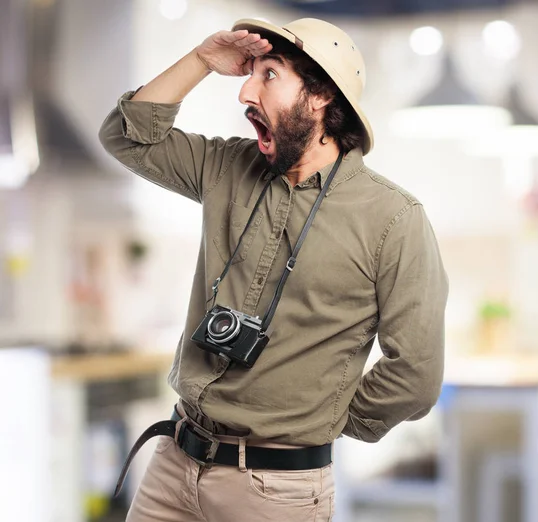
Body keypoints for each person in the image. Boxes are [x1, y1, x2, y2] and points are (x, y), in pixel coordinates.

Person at [98, 16, 449, 522]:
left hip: (276, 490)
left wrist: (325, 418)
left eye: (270, 75)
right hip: (174, 465)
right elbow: (128, 136)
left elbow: (415, 374)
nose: (245, 90)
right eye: (251, 73)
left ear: (320, 95)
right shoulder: (227, 168)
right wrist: (201, 60)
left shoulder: (393, 219)